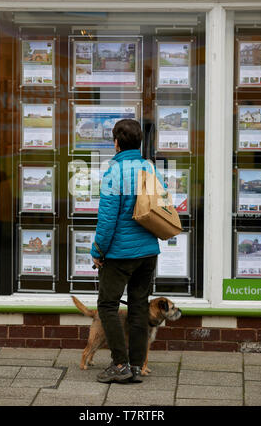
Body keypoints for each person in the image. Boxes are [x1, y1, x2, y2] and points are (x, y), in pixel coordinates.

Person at [90, 118, 164, 384]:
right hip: (147, 252)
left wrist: (97, 250)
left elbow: (107, 221)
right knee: (138, 307)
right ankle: (135, 366)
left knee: (107, 305)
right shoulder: (150, 169)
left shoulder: (114, 172)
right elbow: (162, 206)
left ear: (117, 142)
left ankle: (119, 364)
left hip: (120, 254)